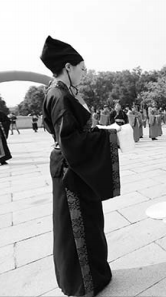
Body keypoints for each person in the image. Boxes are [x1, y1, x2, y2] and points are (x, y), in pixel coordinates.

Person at [40, 36, 120, 297]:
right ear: (68, 67)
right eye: (82, 69)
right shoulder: (60, 95)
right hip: (71, 171)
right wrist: (109, 137)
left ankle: (91, 275)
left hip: (74, 167)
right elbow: (72, 141)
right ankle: (84, 283)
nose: (85, 74)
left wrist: (99, 131)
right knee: (78, 227)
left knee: (89, 223)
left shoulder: (59, 92)